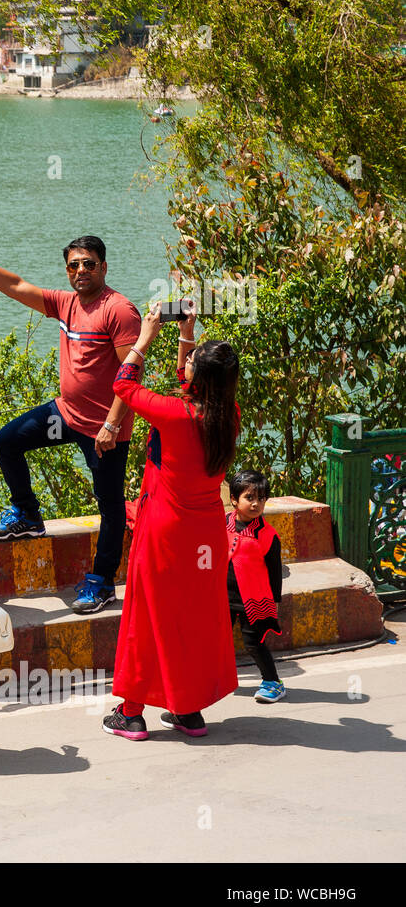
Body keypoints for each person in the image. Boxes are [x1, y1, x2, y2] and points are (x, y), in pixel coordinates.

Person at [0, 235, 142, 613]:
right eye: (74, 264)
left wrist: (111, 425)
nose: (81, 271)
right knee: (7, 441)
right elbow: (14, 286)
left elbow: (133, 374)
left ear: (104, 267)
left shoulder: (120, 310)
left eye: (89, 264)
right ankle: (27, 514)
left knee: (109, 506)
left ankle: (102, 582)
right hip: (66, 414)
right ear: (67, 270)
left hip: (105, 429)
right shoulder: (65, 303)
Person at [103, 307, 241, 740]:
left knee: (146, 617)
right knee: (192, 619)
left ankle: (130, 713)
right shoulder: (226, 415)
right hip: (206, 536)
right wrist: (186, 334)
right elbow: (190, 388)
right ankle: (188, 710)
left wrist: (143, 338)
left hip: (165, 529)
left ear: (200, 376)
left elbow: (123, 385)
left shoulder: (174, 414)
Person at [227, 469, 285, 702]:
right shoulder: (222, 524)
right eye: (249, 498)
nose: (256, 504)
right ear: (234, 499)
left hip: (254, 601)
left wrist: (275, 601)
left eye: (261, 499)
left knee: (254, 643)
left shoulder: (268, 535)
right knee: (217, 642)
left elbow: (275, 572)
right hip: (223, 598)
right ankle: (216, 680)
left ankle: (273, 682)